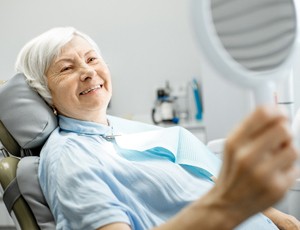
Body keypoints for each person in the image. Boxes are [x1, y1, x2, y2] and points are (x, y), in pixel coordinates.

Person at [15, 27, 300, 230]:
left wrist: (279, 218)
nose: (88, 71)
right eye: (66, 68)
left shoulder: (123, 130)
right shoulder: (69, 157)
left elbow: (203, 179)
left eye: (91, 59)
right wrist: (227, 204)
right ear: (45, 93)